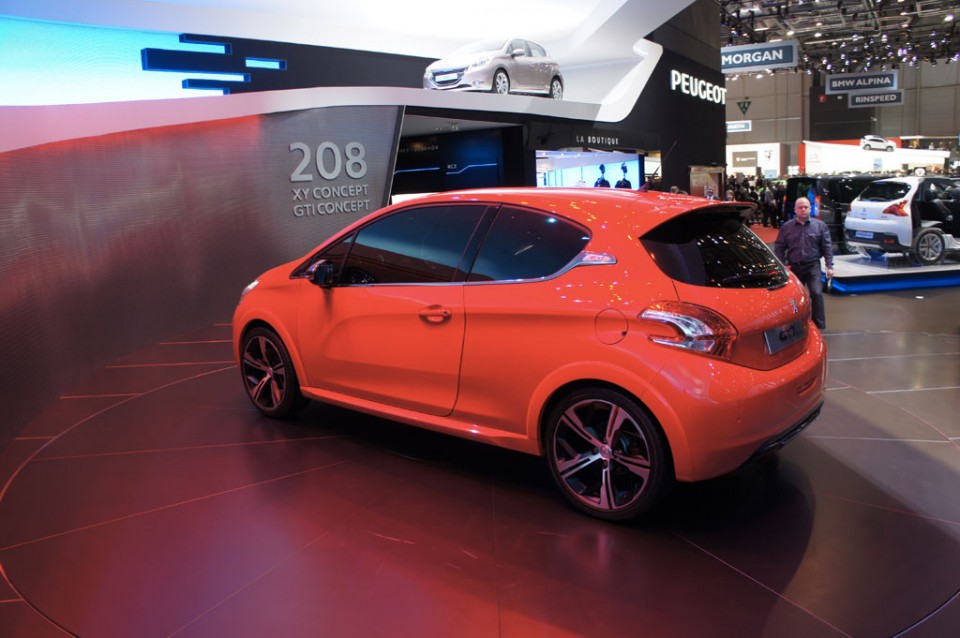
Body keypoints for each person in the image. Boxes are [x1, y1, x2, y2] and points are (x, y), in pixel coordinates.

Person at [774, 197, 834, 330]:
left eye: (806, 207)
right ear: (795, 210)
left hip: (813, 266)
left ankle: (819, 326)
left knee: (817, 293)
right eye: (800, 207)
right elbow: (779, 247)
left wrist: (830, 266)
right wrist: (782, 266)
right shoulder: (787, 227)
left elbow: (827, 247)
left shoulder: (819, 226)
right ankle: (794, 324)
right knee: (793, 298)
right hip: (794, 267)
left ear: (810, 209)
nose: (803, 209)